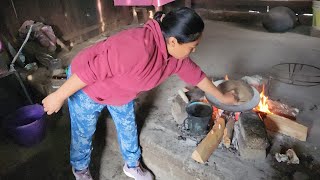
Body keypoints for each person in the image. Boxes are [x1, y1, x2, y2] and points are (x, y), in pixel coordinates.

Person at [42, 7, 236, 180]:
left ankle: (132, 165)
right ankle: (81, 169)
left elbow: (196, 75)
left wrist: (222, 97)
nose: (193, 51)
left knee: (127, 127)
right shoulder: (136, 48)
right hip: (88, 88)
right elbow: (90, 72)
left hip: (121, 92)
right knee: (83, 133)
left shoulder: (175, 56)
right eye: (192, 47)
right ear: (173, 41)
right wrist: (58, 96)